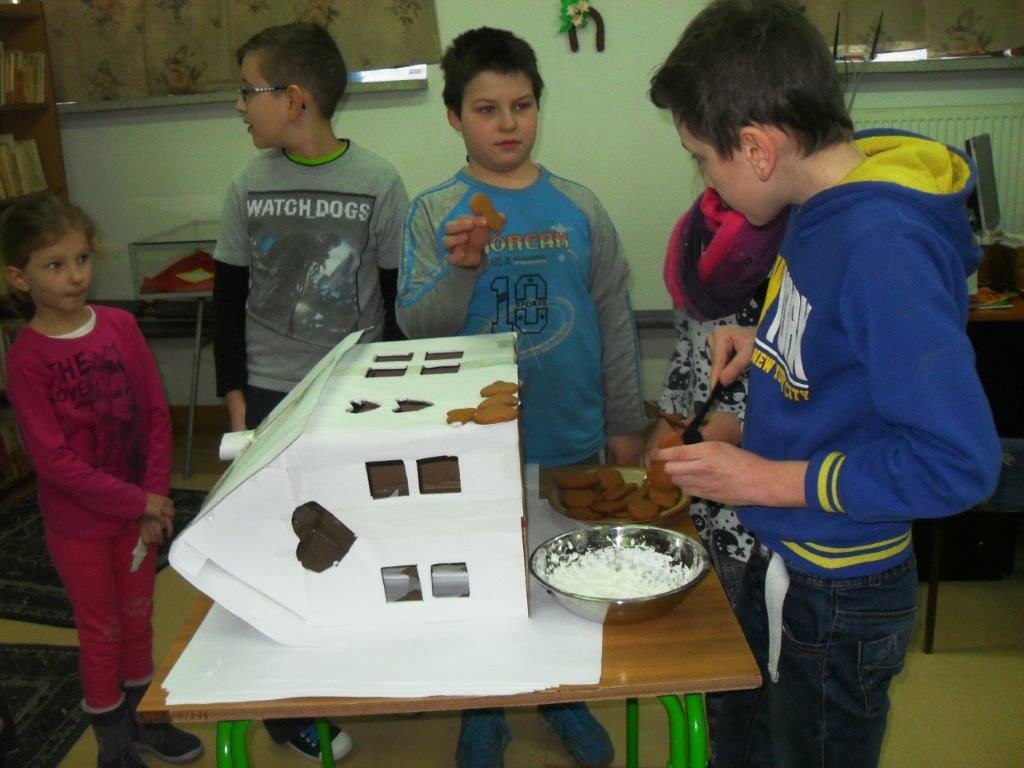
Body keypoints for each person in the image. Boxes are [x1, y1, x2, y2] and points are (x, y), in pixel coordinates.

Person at [647, 2, 1002, 767]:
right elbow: (842, 362)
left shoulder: (882, 243)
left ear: (756, 149)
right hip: (788, 555)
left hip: (841, 593)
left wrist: (763, 479)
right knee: (749, 743)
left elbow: (958, 463)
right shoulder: (817, 203)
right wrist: (770, 342)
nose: (705, 180)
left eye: (702, 158)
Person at [397, 26, 647, 768]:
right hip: (475, 444)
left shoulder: (578, 205)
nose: (507, 123)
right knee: (486, 577)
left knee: (569, 573)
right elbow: (417, 327)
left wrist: (625, 420)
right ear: (454, 116)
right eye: (486, 109)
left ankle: (561, 696)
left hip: (573, 433)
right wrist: (462, 269)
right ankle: (484, 709)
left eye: (522, 105)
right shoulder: (434, 212)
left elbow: (613, 315)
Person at [212, 20, 408, 761]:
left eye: (247, 91)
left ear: (294, 99)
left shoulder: (377, 181)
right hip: (267, 396)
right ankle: (289, 709)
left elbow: (398, 302)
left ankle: (349, 666)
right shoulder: (248, 183)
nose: (239, 106)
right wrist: (236, 400)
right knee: (278, 549)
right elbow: (226, 300)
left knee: (353, 535)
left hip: (350, 394)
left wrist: (391, 398)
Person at [1, 194, 203, 768]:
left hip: (140, 516)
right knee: (102, 630)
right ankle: (112, 744)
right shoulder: (27, 358)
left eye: (83, 259)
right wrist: (139, 500)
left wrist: (154, 498)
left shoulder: (120, 326)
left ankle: (144, 724)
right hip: (81, 528)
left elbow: (156, 416)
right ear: (20, 277)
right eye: (55, 265)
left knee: (138, 619)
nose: (76, 276)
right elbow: (54, 462)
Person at [646, 186, 787, 608]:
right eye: (700, 160)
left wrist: (741, 428)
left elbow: (815, 381)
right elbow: (686, 345)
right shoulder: (699, 235)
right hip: (701, 487)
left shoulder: (796, 248)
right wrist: (667, 419)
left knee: (750, 613)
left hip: (766, 500)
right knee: (706, 602)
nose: (709, 175)